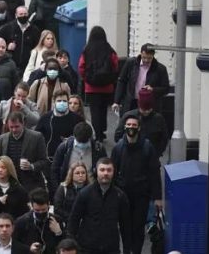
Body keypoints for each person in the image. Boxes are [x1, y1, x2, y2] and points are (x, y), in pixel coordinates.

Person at [110, 114, 162, 254]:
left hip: (141, 196)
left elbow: (154, 173)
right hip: (123, 196)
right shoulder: (118, 148)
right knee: (125, 227)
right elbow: (112, 172)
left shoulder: (147, 147)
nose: (131, 128)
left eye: (134, 125)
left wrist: (157, 197)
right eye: (128, 125)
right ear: (124, 127)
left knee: (138, 228)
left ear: (139, 128)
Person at [67, 158, 132, 254]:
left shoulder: (120, 196)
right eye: (102, 170)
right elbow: (73, 221)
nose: (105, 173)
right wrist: (70, 248)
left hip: (111, 248)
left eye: (109, 170)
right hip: (87, 248)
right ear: (95, 171)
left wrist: (127, 251)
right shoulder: (84, 194)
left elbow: (125, 226)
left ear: (114, 172)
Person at [0, 111, 48, 193]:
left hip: (32, 185)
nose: (14, 130)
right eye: (11, 127)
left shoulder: (37, 137)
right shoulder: (2, 139)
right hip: (10, 185)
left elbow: (44, 161)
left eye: (17, 126)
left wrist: (32, 166)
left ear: (23, 123)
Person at [78, 26, 118, 142]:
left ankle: (97, 133)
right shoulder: (109, 50)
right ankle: (102, 130)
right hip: (107, 87)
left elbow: (81, 67)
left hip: (91, 87)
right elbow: (115, 65)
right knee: (104, 109)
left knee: (94, 110)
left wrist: (86, 78)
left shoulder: (87, 50)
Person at [113, 43, 170, 114]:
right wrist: (116, 101)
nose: (146, 60)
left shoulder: (160, 69)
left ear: (153, 55)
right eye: (144, 57)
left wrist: (153, 89)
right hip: (131, 102)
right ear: (141, 54)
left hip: (149, 105)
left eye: (149, 58)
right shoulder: (131, 63)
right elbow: (122, 81)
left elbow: (166, 88)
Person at [50, 122, 106, 194]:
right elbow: (54, 170)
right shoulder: (64, 148)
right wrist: (58, 191)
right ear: (74, 136)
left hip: (91, 190)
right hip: (69, 191)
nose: (82, 145)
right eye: (80, 142)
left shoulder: (98, 149)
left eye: (85, 142)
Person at [113, 88, 169, 156]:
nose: (146, 112)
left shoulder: (158, 119)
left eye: (148, 109)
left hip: (151, 155)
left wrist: (157, 153)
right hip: (130, 154)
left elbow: (164, 139)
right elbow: (118, 136)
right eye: (144, 109)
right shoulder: (129, 116)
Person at [35, 89, 85, 159]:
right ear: (54, 102)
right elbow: (37, 137)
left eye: (64, 101)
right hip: (49, 157)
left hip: (70, 157)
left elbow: (83, 137)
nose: (62, 103)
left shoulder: (77, 119)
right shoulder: (45, 118)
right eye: (59, 101)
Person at [12, 188, 64, 254]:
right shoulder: (21, 222)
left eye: (43, 209)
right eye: (37, 210)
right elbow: (15, 244)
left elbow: (63, 244)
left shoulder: (57, 220)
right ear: (31, 206)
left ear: (48, 204)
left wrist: (58, 232)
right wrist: (29, 248)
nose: (40, 212)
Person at [0, 6, 40, 76]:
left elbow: (38, 46)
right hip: (10, 66)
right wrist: (5, 46)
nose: (23, 16)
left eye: (25, 14)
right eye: (21, 14)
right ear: (16, 15)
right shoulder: (8, 27)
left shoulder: (34, 29)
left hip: (28, 67)